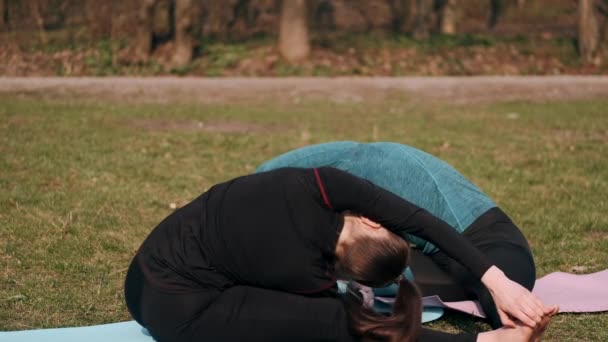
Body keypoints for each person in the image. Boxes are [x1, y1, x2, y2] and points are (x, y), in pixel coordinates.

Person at [125, 166, 554, 342]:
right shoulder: (306, 275)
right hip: (179, 311)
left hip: (140, 273)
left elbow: (418, 220)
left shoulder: (320, 183)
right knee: (339, 324)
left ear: (371, 222)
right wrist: (496, 283)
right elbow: (358, 323)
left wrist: (496, 281)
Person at [257, 141, 558, 337]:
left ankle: (513, 321)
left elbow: (428, 226)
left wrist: (499, 283)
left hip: (486, 240)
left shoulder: (368, 174)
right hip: (432, 252)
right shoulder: (294, 196)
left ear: (369, 219)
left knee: (510, 291)